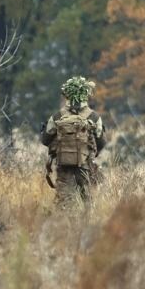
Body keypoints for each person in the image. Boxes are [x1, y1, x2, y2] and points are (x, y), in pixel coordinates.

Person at [40, 76, 105, 207]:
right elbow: (101, 143)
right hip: (86, 168)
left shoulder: (58, 116)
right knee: (87, 204)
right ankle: (86, 227)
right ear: (86, 94)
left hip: (64, 167)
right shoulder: (94, 117)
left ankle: (64, 226)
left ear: (67, 95)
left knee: (64, 204)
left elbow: (45, 140)